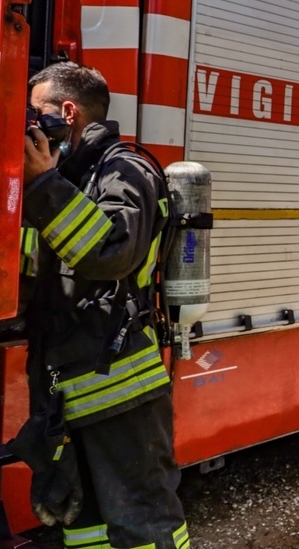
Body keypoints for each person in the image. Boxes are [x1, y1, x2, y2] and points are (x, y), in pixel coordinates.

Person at [11, 62, 190, 548]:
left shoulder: (125, 169)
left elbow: (112, 252)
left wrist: (44, 185)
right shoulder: (63, 178)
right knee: (84, 525)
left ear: (67, 112)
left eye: (36, 112)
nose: (28, 124)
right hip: (64, 385)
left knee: (142, 520)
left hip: (118, 385)